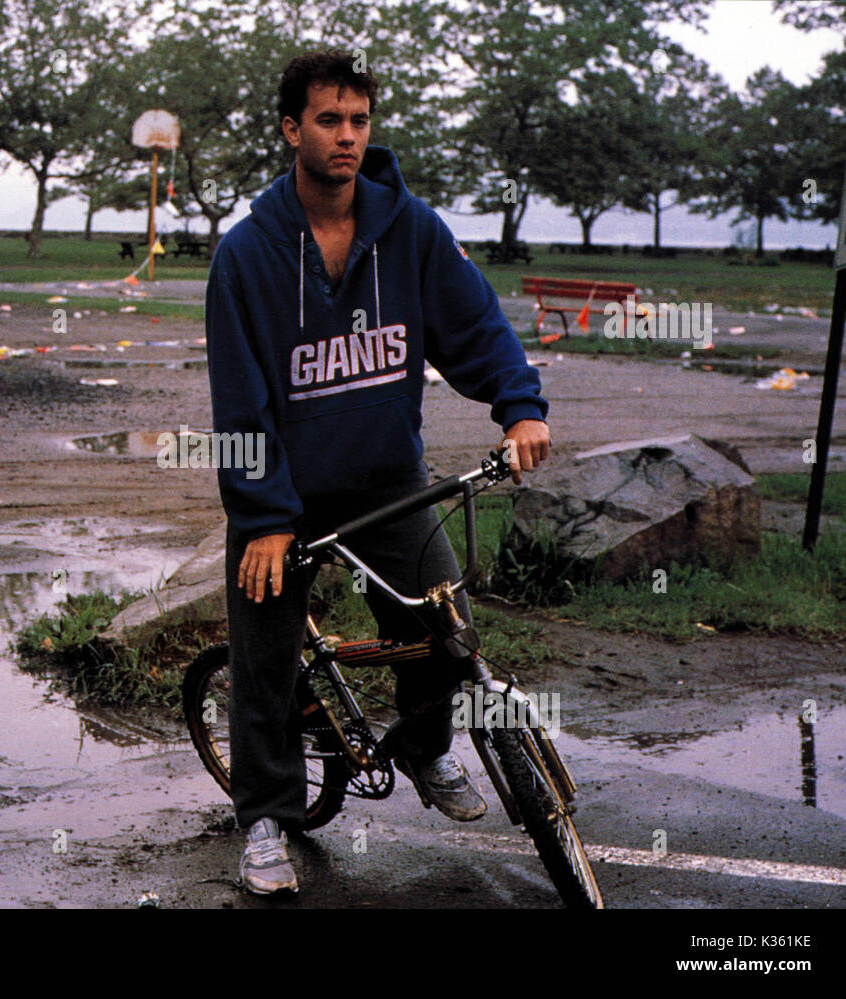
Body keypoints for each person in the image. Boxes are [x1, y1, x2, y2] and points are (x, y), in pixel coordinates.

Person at [204, 49, 551, 896]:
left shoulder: (412, 231)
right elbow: (240, 404)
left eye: (359, 120)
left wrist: (520, 406)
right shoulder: (246, 256)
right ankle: (266, 821)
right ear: (292, 129)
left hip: (390, 479)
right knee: (265, 654)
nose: (347, 137)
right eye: (329, 120)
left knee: (445, 624)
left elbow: (475, 325)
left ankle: (428, 749)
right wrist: (264, 516)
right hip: (285, 495)